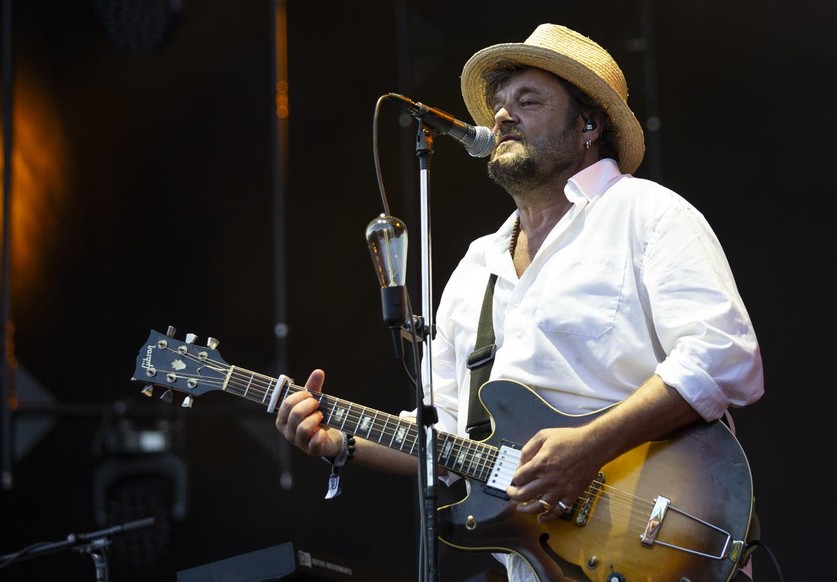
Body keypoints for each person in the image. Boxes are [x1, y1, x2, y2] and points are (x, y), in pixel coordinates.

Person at [275, 23, 764, 582]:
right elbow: (447, 432)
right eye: (499, 105)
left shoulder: (647, 214)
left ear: (588, 124)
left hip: (663, 535)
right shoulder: (477, 265)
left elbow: (724, 356)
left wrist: (588, 447)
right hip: (542, 564)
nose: (502, 116)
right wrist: (342, 441)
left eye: (527, 101)